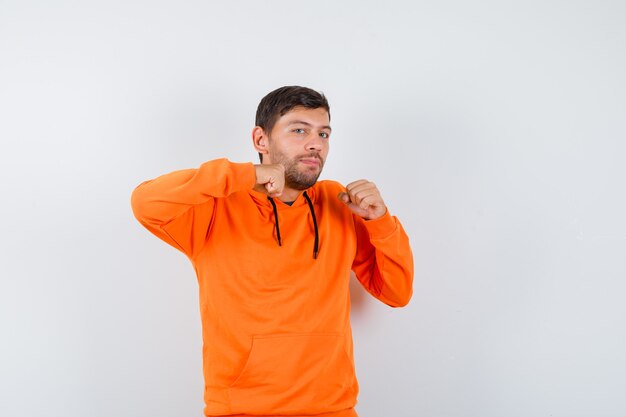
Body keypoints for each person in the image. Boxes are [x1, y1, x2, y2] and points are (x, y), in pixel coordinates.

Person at [131, 86, 414, 417]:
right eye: (299, 130)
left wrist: (380, 221)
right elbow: (145, 202)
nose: (315, 144)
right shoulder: (216, 208)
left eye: (323, 133)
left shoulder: (338, 202)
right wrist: (245, 175)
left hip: (332, 408)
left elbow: (397, 292)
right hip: (241, 410)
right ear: (260, 140)